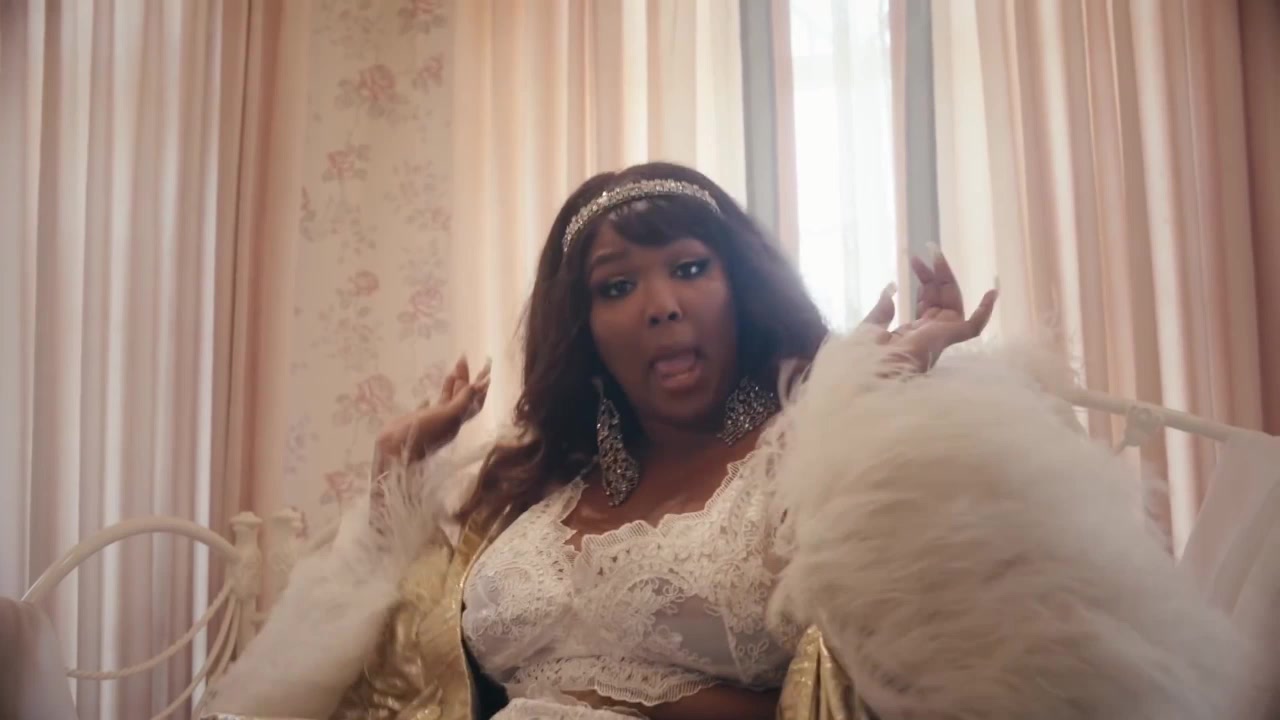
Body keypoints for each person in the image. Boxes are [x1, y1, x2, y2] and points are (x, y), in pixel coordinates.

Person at [204, 163, 1257, 720]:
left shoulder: (809, 462)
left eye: (688, 268)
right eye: (617, 285)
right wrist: (396, 470)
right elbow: (394, 650)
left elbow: (885, 660)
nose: (659, 303)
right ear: (587, 330)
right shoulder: (538, 490)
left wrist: (888, 378)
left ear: (738, 289)